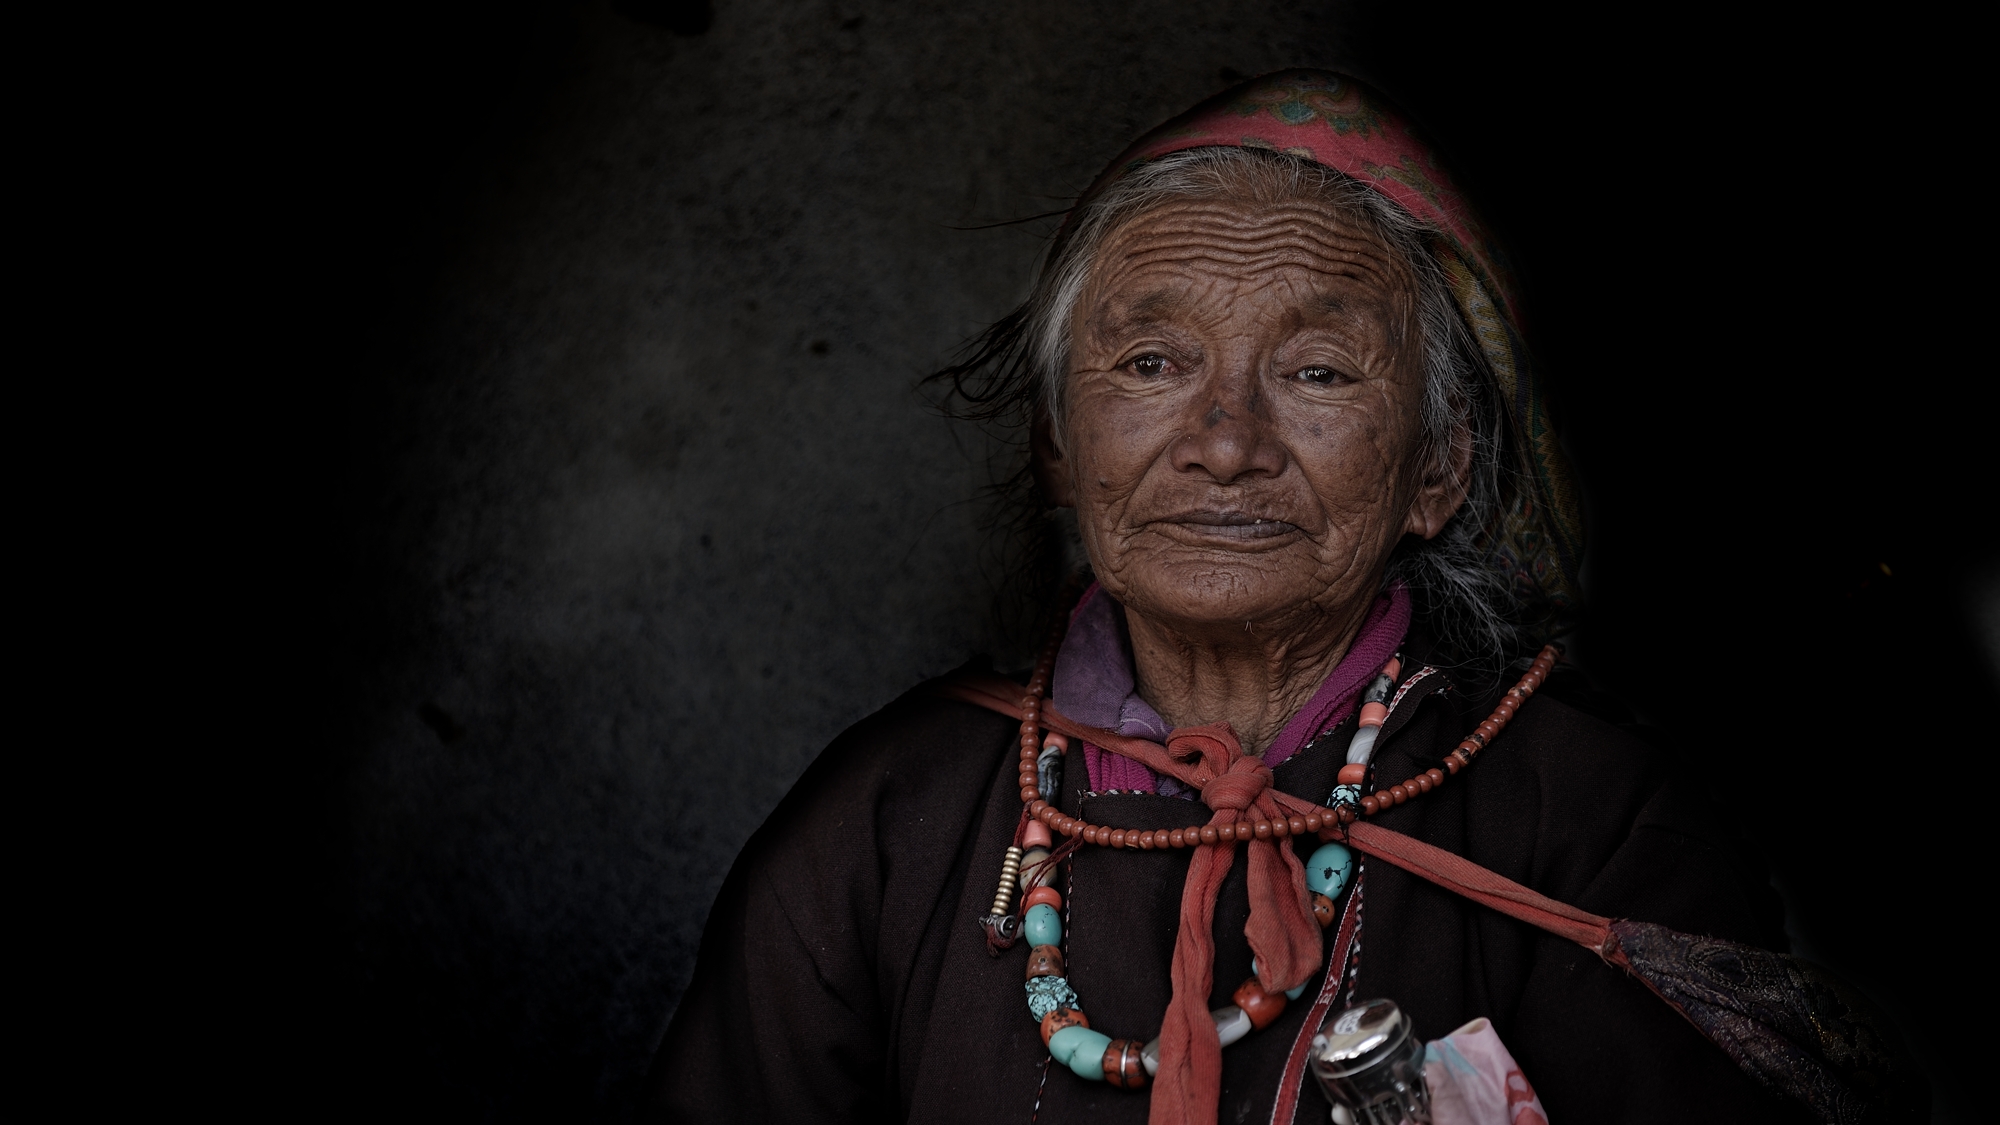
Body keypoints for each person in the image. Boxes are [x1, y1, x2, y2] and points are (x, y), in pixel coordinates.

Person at [646, 71, 1825, 1124]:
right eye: (1150, 363)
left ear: (1436, 468)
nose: (1223, 444)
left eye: (1316, 371)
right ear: (1057, 444)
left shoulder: (1592, 827)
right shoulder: (886, 819)